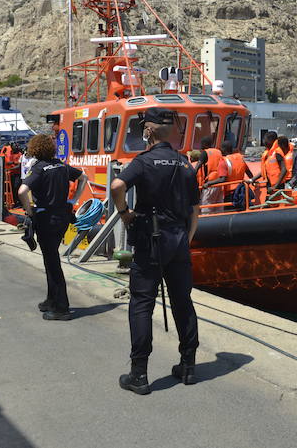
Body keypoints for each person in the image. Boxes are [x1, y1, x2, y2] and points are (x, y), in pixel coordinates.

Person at [110, 107, 200, 395]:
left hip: (151, 240)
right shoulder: (185, 164)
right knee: (182, 302)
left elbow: (117, 185)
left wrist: (124, 212)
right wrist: (186, 238)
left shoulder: (144, 162)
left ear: (148, 130)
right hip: (178, 240)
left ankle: (139, 374)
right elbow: (195, 210)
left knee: (141, 304)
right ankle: (188, 365)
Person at [18, 134, 87, 321]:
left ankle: (62, 307)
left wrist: (29, 211)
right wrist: (73, 200)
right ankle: (51, 299)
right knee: (50, 258)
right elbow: (83, 177)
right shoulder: (61, 166)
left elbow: (22, 191)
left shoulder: (39, 168)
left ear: (34, 149)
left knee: (53, 262)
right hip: (62, 217)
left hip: (46, 218)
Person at [204, 141, 250, 206]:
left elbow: (222, 179)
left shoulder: (223, 161)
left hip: (231, 194)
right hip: (242, 190)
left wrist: (208, 183)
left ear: (224, 149)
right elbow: (249, 173)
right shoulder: (240, 158)